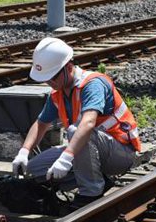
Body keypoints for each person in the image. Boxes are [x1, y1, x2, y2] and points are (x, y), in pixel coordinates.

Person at [11, 37, 141, 209]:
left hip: (120, 153)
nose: (49, 83)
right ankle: (98, 179)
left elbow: (88, 123)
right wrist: (24, 151)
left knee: (75, 131)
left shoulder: (93, 85)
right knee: (35, 169)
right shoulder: (57, 93)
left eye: (52, 77)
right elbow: (41, 124)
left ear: (69, 68)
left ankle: (91, 193)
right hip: (92, 150)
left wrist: (66, 158)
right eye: (46, 79)